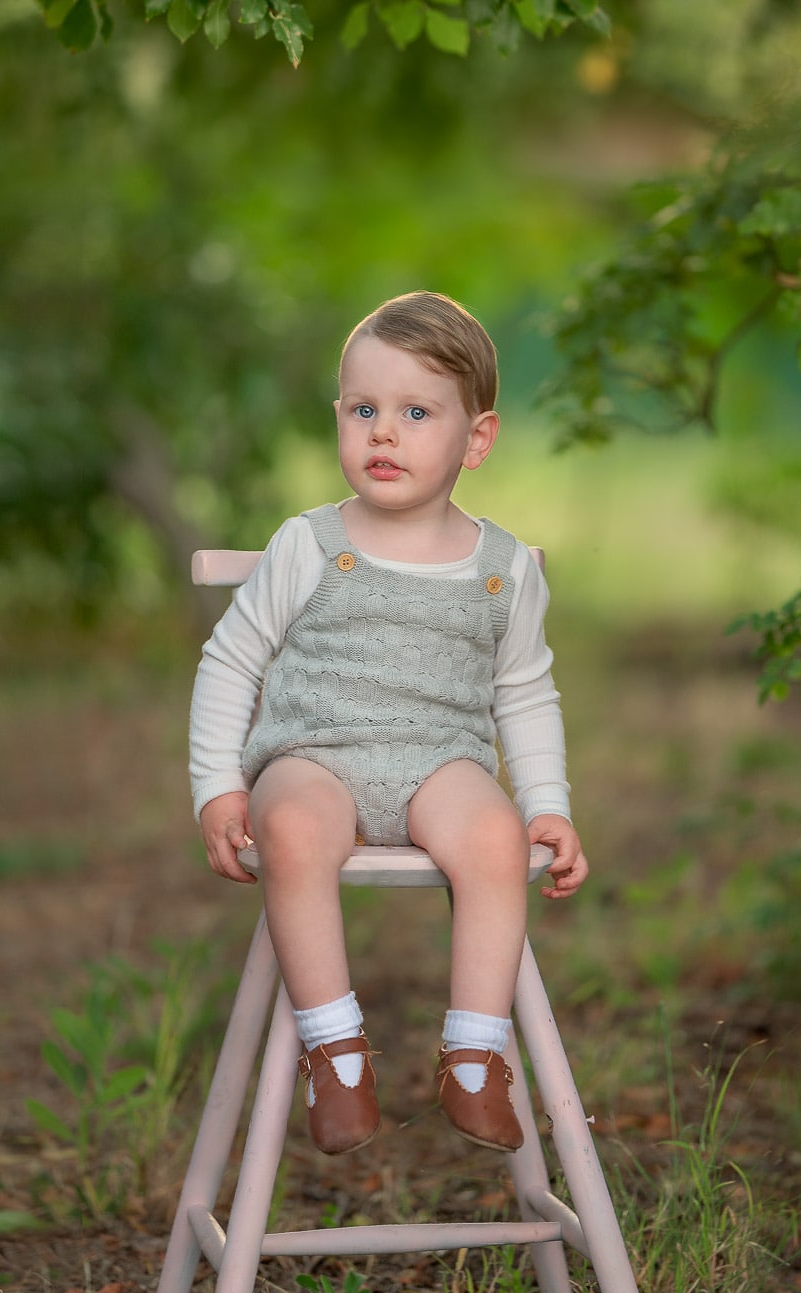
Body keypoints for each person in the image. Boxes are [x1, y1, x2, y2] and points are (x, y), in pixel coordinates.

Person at [189, 291, 588, 1158]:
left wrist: (547, 800)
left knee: (493, 838)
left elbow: (523, 692)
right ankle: (333, 1049)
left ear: (474, 439)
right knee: (289, 824)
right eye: (364, 411)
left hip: (436, 762)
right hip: (313, 753)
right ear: (338, 417)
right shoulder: (308, 543)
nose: (383, 434)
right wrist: (219, 786)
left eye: (415, 413)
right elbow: (230, 662)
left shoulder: (501, 567)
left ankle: (475, 1057)